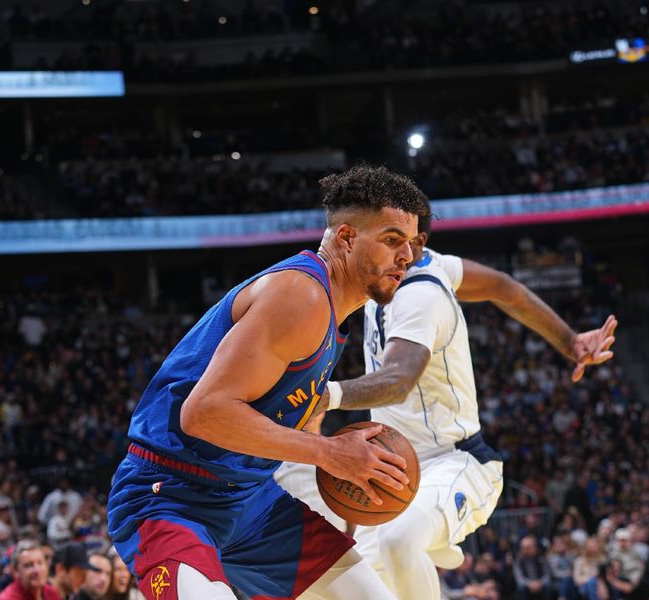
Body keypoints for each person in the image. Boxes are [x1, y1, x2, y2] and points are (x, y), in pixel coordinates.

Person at [106, 165, 430, 600]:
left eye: (412, 243)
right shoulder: (302, 295)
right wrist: (331, 453)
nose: (407, 255)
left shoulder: (333, 312)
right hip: (172, 498)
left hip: (251, 502)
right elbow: (204, 414)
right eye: (392, 240)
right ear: (347, 238)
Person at [301, 214, 617, 600]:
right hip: (393, 469)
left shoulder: (419, 295)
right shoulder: (425, 263)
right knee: (330, 585)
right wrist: (569, 342)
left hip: (456, 461)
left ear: (414, 246)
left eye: (399, 241)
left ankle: (429, 534)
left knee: (399, 541)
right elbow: (504, 288)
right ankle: (433, 538)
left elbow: (398, 381)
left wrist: (324, 396)